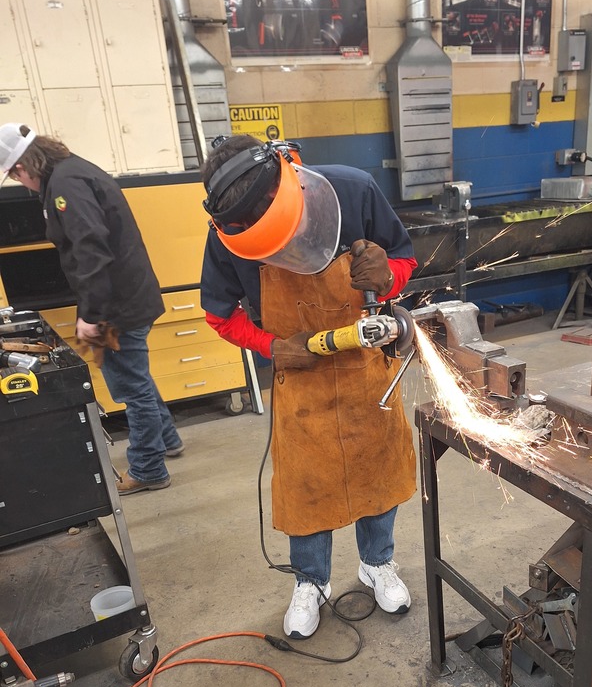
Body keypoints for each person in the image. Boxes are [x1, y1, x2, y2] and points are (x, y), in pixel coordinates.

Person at [199, 135, 418, 639]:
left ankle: (377, 564)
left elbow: (405, 259)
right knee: (305, 486)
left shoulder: (352, 191)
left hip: (365, 368)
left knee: (376, 471)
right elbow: (219, 315)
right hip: (299, 376)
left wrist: (387, 277)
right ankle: (311, 582)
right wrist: (273, 347)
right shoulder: (228, 235)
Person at [0, 123, 184, 495]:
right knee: (135, 378)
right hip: (126, 296)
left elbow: (92, 250)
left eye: (15, 176)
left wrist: (92, 315)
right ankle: (167, 440)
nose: (21, 184)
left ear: (22, 166)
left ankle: (149, 469)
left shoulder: (66, 185)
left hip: (116, 305)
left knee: (131, 389)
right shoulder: (71, 171)